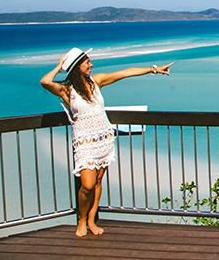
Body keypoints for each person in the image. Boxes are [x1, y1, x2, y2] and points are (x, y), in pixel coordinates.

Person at [40, 47, 173, 237]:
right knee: (87, 185)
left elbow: (124, 73)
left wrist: (153, 69)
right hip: (85, 142)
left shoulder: (96, 82)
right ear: (76, 67)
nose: (91, 64)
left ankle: (92, 221)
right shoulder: (66, 90)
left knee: (98, 182)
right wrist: (60, 65)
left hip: (104, 137)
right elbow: (44, 81)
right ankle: (81, 220)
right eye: (87, 62)